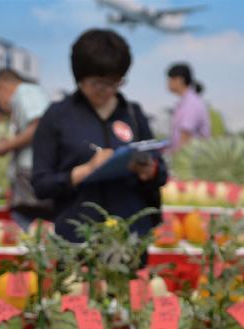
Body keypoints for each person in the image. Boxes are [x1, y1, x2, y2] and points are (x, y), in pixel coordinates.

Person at [31, 29, 167, 242]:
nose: (107, 90)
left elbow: (161, 172)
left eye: (115, 82)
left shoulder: (133, 113)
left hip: (130, 238)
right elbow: (41, 184)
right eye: (98, 82)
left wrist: (150, 170)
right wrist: (87, 170)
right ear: (79, 77)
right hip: (77, 241)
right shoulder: (58, 116)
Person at [0, 68, 52, 227]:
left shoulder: (25, 91)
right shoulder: (30, 93)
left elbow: (38, 126)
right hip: (31, 175)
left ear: (1, 87)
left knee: (27, 226)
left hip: (31, 174)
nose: (0, 104)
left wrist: (7, 145)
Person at [166, 63, 210, 151]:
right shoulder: (184, 102)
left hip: (191, 161)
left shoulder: (191, 103)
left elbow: (185, 136)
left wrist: (174, 159)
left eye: (170, 80)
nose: (167, 83)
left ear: (179, 80)